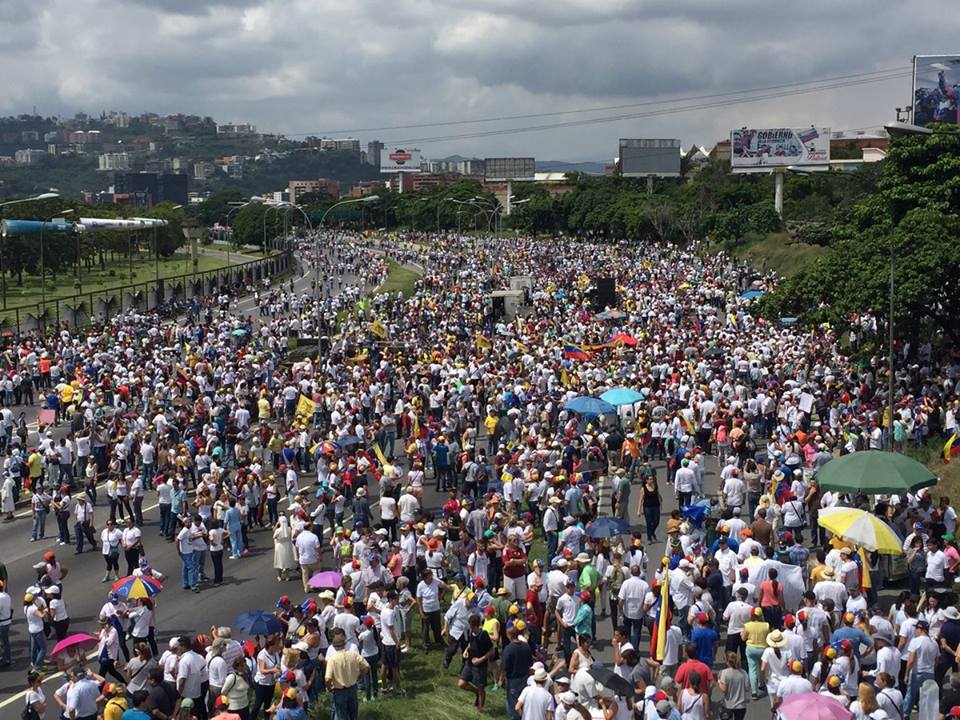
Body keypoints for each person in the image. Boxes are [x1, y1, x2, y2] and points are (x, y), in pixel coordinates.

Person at [325, 629, 369, 720]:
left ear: (334, 646)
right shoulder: (353, 655)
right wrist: (360, 676)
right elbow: (367, 667)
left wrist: (329, 688)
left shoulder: (332, 660)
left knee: (341, 716)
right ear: (344, 644)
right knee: (353, 715)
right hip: (352, 688)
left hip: (339, 690)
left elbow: (327, 679)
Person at [459, 613, 495, 710]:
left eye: (472, 626)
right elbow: (470, 644)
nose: (471, 628)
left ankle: (480, 709)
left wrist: (480, 659)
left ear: (476, 625)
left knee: (481, 688)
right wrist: (466, 651)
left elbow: (491, 650)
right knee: (461, 683)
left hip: (480, 667)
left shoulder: (484, 635)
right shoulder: (471, 633)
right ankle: (476, 692)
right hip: (469, 663)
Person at [741, 607, 769, 698]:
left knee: (752, 669)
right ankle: (761, 684)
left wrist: (742, 634)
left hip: (751, 648)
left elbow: (743, 638)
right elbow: (768, 638)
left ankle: (754, 691)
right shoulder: (766, 625)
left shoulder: (747, 625)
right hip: (763, 649)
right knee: (762, 668)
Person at [717, 651, 749, 720]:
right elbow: (747, 688)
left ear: (727, 661)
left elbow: (724, 689)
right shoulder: (743, 672)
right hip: (741, 706)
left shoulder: (724, 673)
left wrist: (719, 681)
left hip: (729, 704)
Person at [273, 516, 296, 582]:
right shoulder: (289, 529)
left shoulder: (278, 530)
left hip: (279, 546)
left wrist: (276, 525)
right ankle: (287, 576)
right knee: (287, 561)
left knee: (279, 561)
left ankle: (279, 576)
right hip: (287, 545)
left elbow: (274, 536)